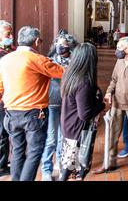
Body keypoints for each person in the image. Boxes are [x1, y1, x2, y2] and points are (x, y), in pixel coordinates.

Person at [0, 26, 64, 181]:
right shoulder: (37, 59)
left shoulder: (5, 59)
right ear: (37, 41)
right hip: (33, 114)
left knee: (17, 151)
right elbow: (63, 72)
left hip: (10, 113)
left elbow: (1, 86)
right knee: (35, 152)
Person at [94, 37, 128, 178]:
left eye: (119, 47)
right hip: (117, 104)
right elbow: (114, 79)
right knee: (112, 133)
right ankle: (109, 162)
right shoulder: (119, 61)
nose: (117, 50)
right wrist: (109, 91)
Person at [59, 43, 107, 181]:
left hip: (68, 124)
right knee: (77, 167)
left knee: (68, 166)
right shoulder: (84, 82)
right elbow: (85, 114)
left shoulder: (69, 74)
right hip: (78, 129)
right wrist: (102, 105)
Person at [41, 33, 78, 181]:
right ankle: (46, 170)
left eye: (62, 44)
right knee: (51, 138)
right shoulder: (50, 60)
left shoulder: (75, 61)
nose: (59, 47)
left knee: (63, 136)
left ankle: (62, 163)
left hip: (68, 103)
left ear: (69, 46)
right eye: (57, 43)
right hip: (52, 102)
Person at [0, 20, 14, 177]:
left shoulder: (10, 50)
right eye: (7, 34)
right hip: (1, 97)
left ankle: (4, 161)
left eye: (11, 33)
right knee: (1, 133)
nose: (10, 36)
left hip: (10, 97)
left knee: (5, 133)